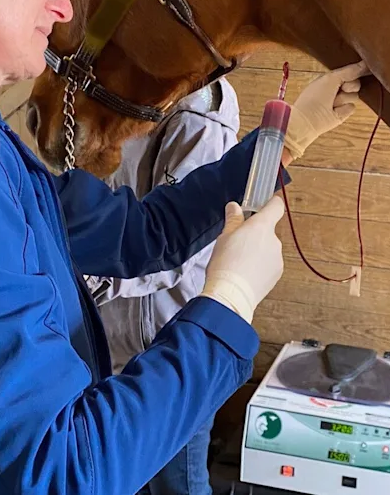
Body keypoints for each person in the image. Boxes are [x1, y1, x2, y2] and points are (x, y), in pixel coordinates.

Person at [0, 0, 365, 495]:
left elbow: (140, 236)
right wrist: (229, 305)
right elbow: (66, 470)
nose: (62, 8)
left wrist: (287, 138)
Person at [89, 77, 240, 495]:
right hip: (113, 347)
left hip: (168, 352)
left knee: (180, 485)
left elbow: (175, 247)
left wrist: (87, 276)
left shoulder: (198, 116)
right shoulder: (116, 91)